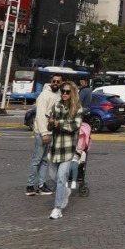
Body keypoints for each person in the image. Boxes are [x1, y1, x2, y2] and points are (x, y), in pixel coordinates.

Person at [45, 83, 83, 219]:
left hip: (67, 149)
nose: (64, 93)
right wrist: (50, 122)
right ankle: (65, 191)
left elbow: (74, 126)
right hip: (55, 148)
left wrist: (58, 123)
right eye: (62, 91)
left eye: (67, 91)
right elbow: (50, 126)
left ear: (72, 93)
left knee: (61, 178)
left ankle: (57, 208)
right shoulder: (56, 105)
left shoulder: (77, 108)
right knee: (52, 177)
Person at [25, 72, 63, 197]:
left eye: (58, 81)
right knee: (37, 159)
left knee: (45, 160)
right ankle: (30, 185)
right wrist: (44, 133)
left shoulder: (59, 95)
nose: (56, 83)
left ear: (61, 83)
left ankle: (41, 185)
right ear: (51, 82)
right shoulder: (44, 95)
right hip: (43, 133)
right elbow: (40, 116)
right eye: (54, 81)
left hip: (52, 132)